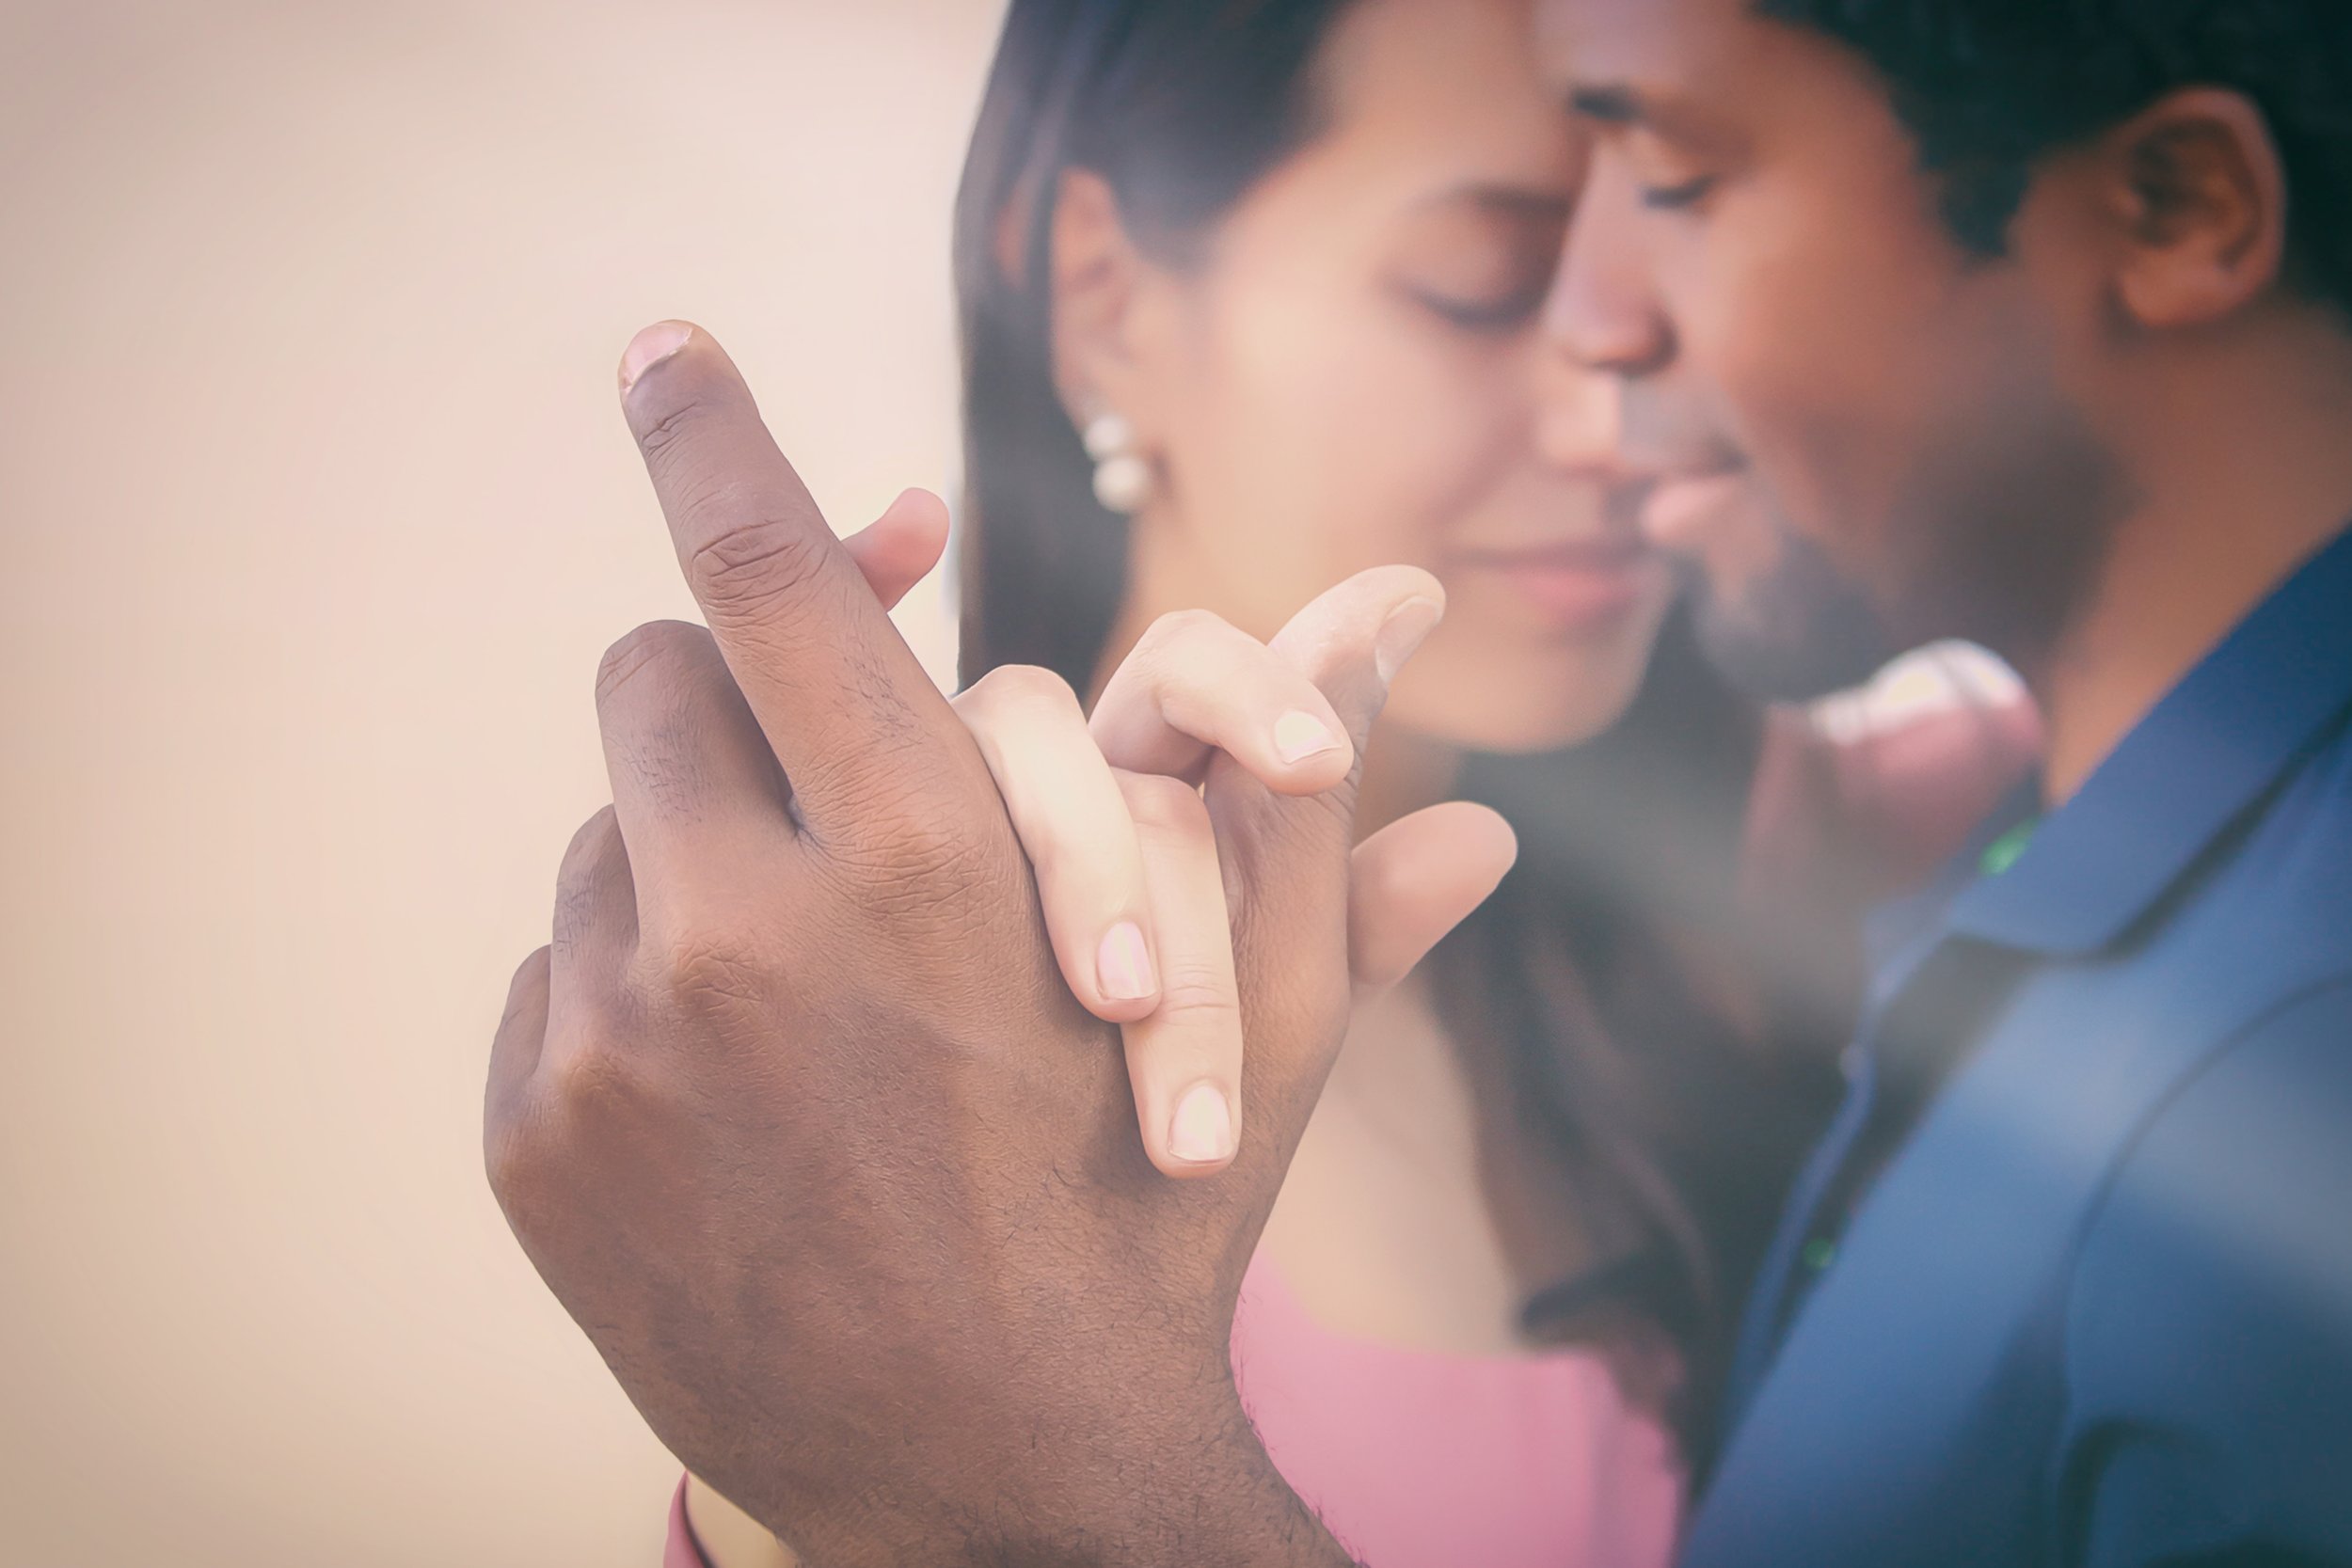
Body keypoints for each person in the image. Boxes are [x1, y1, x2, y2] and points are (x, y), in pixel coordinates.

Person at [485, 3, 2352, 1568]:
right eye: (1479, 285)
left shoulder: (1805, 862)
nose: (1617, 396)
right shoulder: (880, 1081)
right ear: (1105, 291)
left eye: (1674, 199)